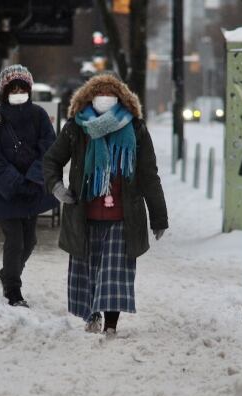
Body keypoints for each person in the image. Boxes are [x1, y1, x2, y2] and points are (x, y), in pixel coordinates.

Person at [43, 73, 168, 335]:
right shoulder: (77, 128)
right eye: (99, 96)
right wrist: (57, 187)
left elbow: (148, 174)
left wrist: (159, 217)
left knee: (114, 275)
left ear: (123, 101)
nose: (105, 100)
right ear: (87, 100)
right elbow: (51, 160)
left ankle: (111, 325)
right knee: (87, 273)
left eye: (111, 96)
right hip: (83, 214)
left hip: (123, 216)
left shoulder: (135, 129)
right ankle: (91, 316)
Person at [0, 64, 58, 307]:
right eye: (12, 88)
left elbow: (49, 149)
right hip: (4, 191)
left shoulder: (39, 115)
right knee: (15, 240)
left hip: (32, 189)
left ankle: (7, 274)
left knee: (30, 240)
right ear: (3, 91)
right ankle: (13, 289)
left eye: (21, 87)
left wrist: (33, 178)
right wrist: (14, 181)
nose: (17, 92)